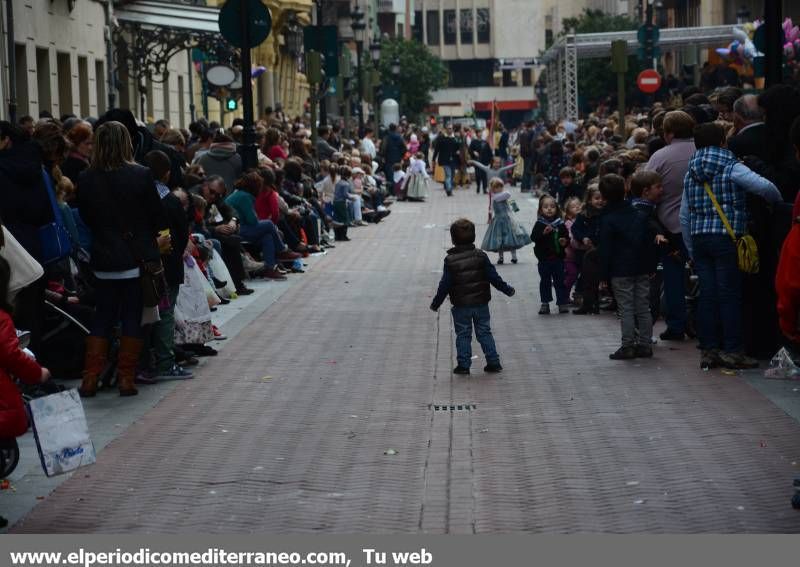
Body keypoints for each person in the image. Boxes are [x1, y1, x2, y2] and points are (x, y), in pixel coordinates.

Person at [679, 122, 782, 370]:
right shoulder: (732, 166)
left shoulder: (690, 171)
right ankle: (733, 350)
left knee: (707, 296)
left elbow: (684, 215)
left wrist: (691, 248)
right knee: (729, 295)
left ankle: (709, 350)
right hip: (727, 237)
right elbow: (766, 188)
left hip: (700, 238)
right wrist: (777, 204)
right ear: (723, 142)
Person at [76, 121, 168, 397]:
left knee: (102, 316)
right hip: (134, 257)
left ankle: (90, 377)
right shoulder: (140, 175)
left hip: (103, 258)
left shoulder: (86, 178)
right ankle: (127, 378)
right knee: (131, 316)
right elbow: (157, 217)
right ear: (127, 142)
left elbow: (87, 217)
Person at [430, 218, 515, 375]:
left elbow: (445, 285)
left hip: (461, 305)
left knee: (463, 334)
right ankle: (493, 361)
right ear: (474, 236)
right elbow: (493, 277)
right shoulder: (481, 256)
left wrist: (436, 303)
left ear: (453, 239)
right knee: (484, 332)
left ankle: (463, 365)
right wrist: (507, 289)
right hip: (481, 303)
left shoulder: (450, 260)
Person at [645, 110, 696, 341]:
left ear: (669, 133)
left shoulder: (660, 156)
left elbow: (643, 186)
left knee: (673, 278)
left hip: (670, 227)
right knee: (706, 276)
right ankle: (702, 323)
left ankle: (676, 325)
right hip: (700, 224)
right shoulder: (701, 151)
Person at [597, 174, 656, 360]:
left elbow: (605, 249)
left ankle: (628, 345)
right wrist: (651, 264)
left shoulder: (607, 219)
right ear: (625, 190)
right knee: (643, 307)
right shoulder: (639, 214)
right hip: (641, 267)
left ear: (604, 196)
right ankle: (645, 344)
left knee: (626, 308)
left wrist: (603, 275)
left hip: (620, 269)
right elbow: (649, 242)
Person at [225, 171, 296, 280]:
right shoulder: (245, 196)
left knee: (266, 236)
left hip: (240, 227)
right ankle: (281, 250)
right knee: (268, 224)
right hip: (237, 229)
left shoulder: (240, 193)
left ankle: (269, 269)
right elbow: (252, 220)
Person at [531, 195, 569, 315]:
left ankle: (562, 303)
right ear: (540, 210)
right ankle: (545, 303)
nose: (549, 209)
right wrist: (543, 233)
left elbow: (566, 237)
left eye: (552, 206)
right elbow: (534, 238)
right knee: (545, 282)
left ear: (557, 209)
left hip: (558, 259)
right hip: (544, 260)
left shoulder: (560, 224)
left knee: (560, 281)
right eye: (546, 207)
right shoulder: (539, 224)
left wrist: (564, 241)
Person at [571, 187, 606, 314]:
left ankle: (596, 303)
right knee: (587, 278)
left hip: (601, 250)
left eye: (602, 198)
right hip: (585, 252)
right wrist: (583, 237)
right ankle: (589, 303)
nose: (600, 201)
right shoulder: (583, 215)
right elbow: (575, 229)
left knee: (599, 278)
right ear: (590, 200)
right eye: (597, 198)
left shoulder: (606, 213)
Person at [481, 178, 531, 265]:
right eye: (497, 187)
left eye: (501, 187)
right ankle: (501, 257)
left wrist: (515, 208)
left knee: (511, 238)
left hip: (508, 219)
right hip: (498, 220)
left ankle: (514, 256)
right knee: (500, 240)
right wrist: (489, 218)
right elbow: (491, 208)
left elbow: (510, 200)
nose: (499, 189)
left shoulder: (503, 195)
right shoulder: (495, 197)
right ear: (493, 188)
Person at [62, 121, 93, 186]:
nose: (90, 147)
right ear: (76, 143)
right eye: (87, 144)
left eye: (92, 143)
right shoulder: (77, 165)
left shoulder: (84, 160)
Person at [432, 125, 460, 196]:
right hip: (444, 160)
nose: (450, 130)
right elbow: (436, 149)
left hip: (453, 160)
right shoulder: (441, 138)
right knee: (448, 175)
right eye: (448, 129)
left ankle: (447, 186)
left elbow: (458, 147)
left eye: (451, 129)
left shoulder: (455, 138)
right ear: (446, 129)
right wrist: (433, 159)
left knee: (452, 175)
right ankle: (449, 190)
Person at [563, 197, 582, 300]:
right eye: (574, 207)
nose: (577, 208)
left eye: (578, 205)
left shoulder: (582, 220)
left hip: (578, 255)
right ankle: (564, 294)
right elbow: (570, 238)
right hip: (569, 256)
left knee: (576, 275)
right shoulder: (568, 223)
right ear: (569, 213)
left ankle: (576, 295)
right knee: (572, 275)